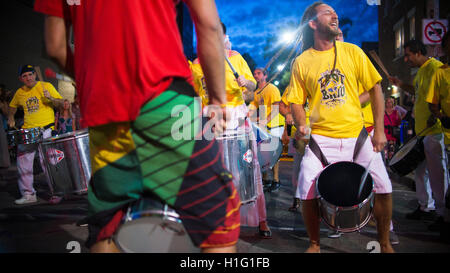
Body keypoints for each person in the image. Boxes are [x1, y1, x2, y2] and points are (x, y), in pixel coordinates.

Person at [35, 0, 240, 253]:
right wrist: (219, 100)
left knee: (108, 219)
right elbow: (209, 25)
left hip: (104, 111)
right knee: (217, 213)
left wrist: (97, 83)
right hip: (165, 98)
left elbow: (55, 46)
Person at [287, 2, 394, 253]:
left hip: (357, 135)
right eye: (327, 12)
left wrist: (378, 130)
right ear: (313, 24)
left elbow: (376, 88)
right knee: (306, 189)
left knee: (384, 187)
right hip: (320, 139)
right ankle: (315, 243)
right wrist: (302, 124)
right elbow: (294, 100)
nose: (334, 14)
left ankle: (385, 243)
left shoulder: (353, 52)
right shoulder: (302, 62)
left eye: (335, 11)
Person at [191, 22, 272, 239]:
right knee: (212, 175)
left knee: (249, 171)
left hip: (237, 122)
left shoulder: (235, 58)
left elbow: (252, 90)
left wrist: (247, 83)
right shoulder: (197, 64)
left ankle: (261, 221)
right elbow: (194, 95)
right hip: (211, 124)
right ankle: (216, 221)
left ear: (225, 37)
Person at [389, 40, 448, 229]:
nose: (406, 59)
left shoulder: (435, 68)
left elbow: (436, 97)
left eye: (408, 55)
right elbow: (419, 92)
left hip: (435, 130)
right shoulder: (422, 71)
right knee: (421, 172)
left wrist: (436, 116)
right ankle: (425, 206)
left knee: (438, 173)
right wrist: (400, 84)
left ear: (419, 53)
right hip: (422, 130)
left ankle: (442, 213)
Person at [8, 64, 63, 205]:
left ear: (35, 75)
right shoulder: (19, 92)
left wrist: (50, 98)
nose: (28, 77)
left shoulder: (46, 86)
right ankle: (28, 195)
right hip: (28, 131)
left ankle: (57, 192)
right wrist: (11, 117)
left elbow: (61, 103)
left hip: (46, 130)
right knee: (24, 164)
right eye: (25, 76)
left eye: (30, 74)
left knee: (50, 162)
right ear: (21, 78)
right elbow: (12, 107)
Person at [425, 31, 450, 241]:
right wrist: (441, 115)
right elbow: (432, 103)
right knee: (444, 176)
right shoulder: (440, 72)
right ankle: (445, 217)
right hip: (447, 133)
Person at [249, 67, 285, 192]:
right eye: (254, 73)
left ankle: (276, 180)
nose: (255, 75)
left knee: (274, 153)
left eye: (258, 73)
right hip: (264, 125)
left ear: (265, 75)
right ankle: (266, 180)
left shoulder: (272, 88)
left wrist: (265, 120)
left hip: (275, 124)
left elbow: (276, 109)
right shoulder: (256, 92)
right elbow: (252, 108)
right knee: (263, 152)